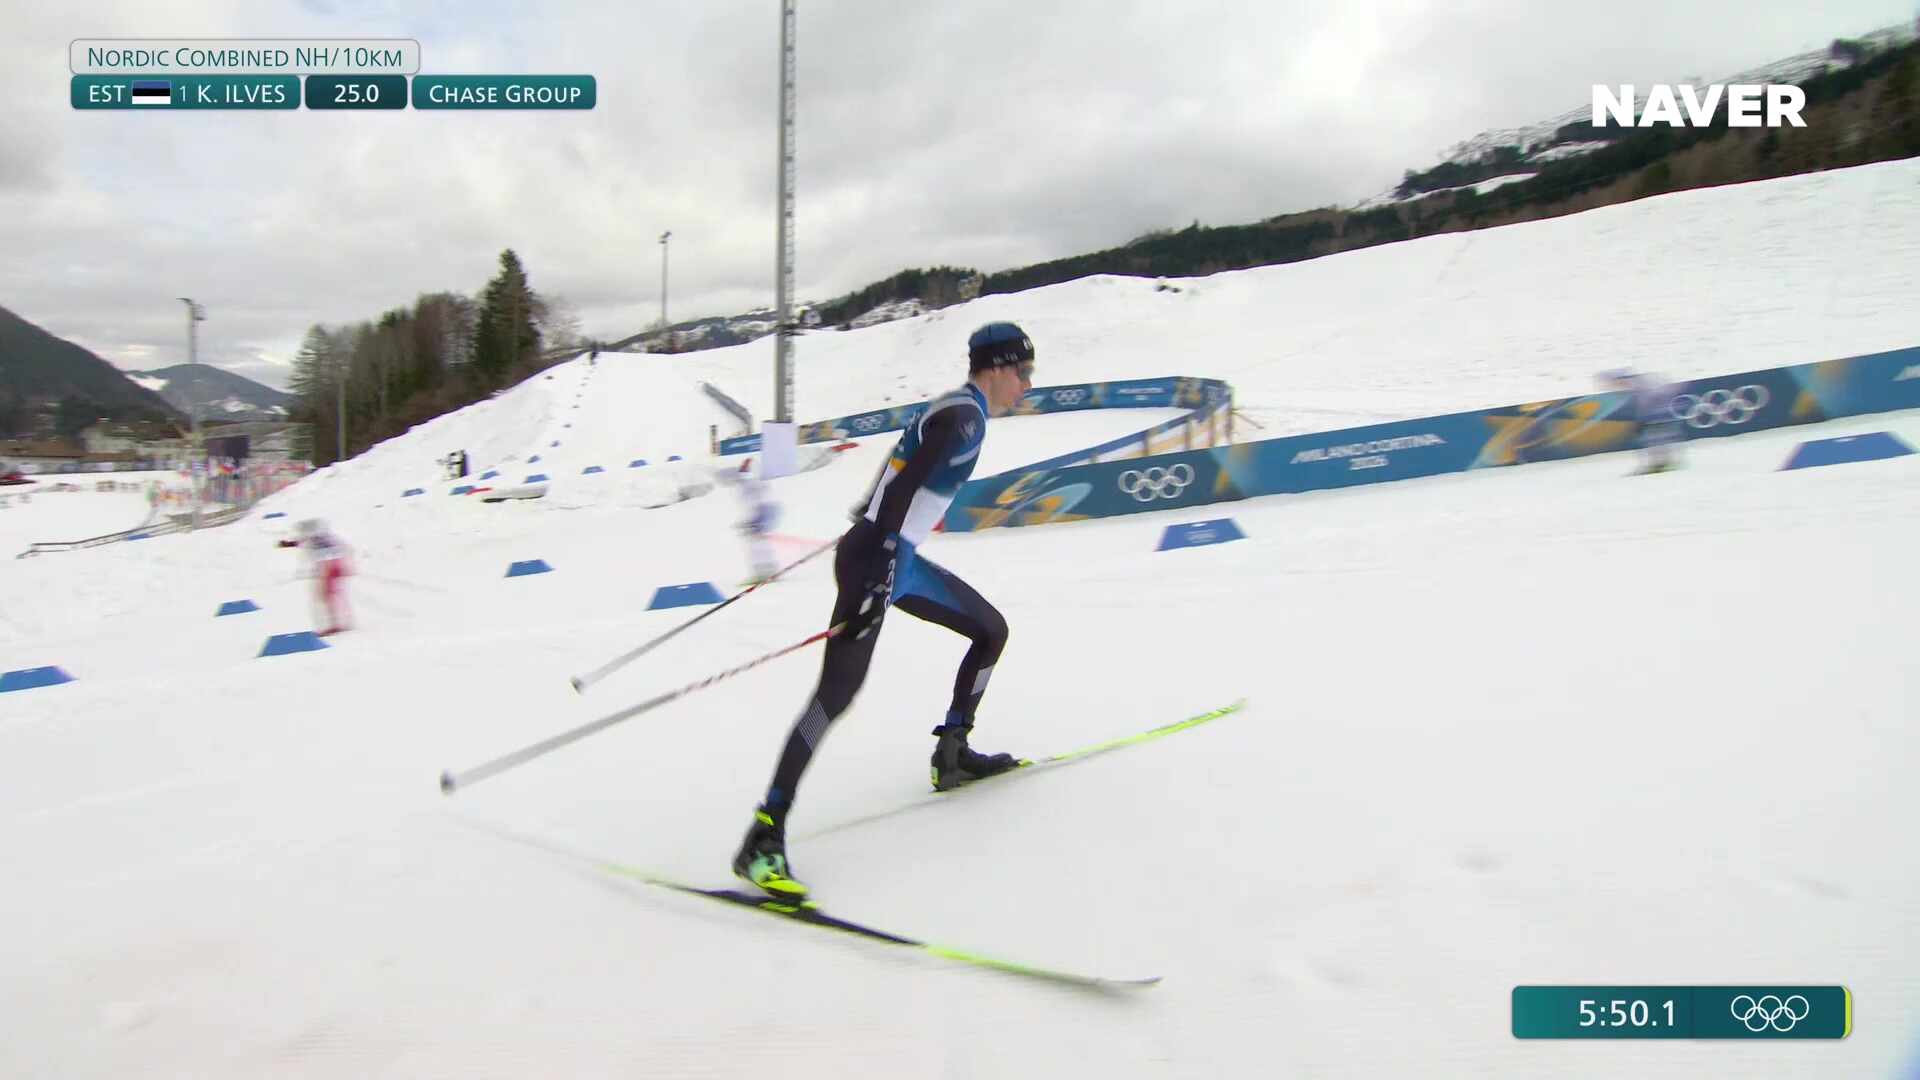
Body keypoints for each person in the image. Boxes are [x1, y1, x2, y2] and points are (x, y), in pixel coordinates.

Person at [732, 322, 1038, 899]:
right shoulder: (965, 417)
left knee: (989, 630)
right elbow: (896, 497)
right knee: (833, 698)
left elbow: (893, 487)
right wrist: (875, 573)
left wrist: (878, 540)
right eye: (1023, 372)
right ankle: (763, 838)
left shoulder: (960, 409)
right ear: (996, 368)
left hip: (893, 558)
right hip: (881, 562)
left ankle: (953, 751)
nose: (1026, 384)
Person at [1600, 368, 1684, 474]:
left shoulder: (1639, 385)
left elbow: (1652, 399)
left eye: (1619, 383)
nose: (1619, 386)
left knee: (1657, 439)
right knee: (1652, 440)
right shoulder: (1635, 386)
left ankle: (1662, 463)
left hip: (1657, 415)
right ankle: (1658, 463)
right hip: (1651, 416)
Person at [715, 458, 781, 584]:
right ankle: (767, 569)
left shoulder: (746, 485)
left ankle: (764, 571)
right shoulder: (746, 483)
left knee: (756, 543)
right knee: (757, 542)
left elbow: (757, 502)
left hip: (764, 512)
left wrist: (754, 522)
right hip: (765, 512)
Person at [296, 518, 354, 636]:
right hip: (335, 565)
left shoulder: (315, 541)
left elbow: (318, 554)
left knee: (325, 596)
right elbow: (344, 548)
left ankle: (335, 624)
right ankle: (340, 621)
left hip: (328, 567)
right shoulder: (326, 537)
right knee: (333, 595)